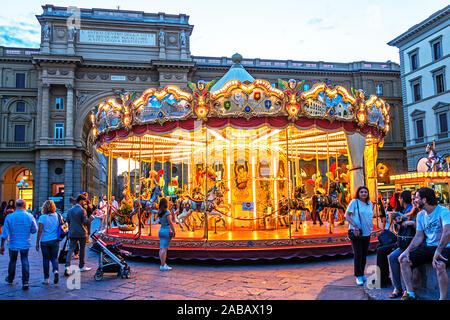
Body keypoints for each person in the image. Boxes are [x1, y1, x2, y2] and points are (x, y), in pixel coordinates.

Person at [398, 187, 450, 300]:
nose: (414, 200)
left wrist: (438, 251)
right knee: (403, 259)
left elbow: (447, 232)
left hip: (445, 247)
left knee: (440, 265)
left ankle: (442, 298)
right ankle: (410, 293)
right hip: (429, 247)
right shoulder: (421, 215)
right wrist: (407, 251)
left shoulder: (443, 211)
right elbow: (418, 237)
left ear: (424, 200)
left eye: (416, 197)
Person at [383, 190, 419, 297]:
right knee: (391, 256)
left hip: (416, 243)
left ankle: (405, 289)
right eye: (412, 199)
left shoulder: (421, 212)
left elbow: (422, 230)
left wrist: (412, 223)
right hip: (407, 242)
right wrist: (398, 221)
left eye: (416, 199)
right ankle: (397, 287)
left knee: (401, 257)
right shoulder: (410, 211)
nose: (413, 201)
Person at [0, 199, 37, 290]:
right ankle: (25, 282)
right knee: (25, 260)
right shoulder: (30, 216)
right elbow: (34, 230)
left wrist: (2, 246)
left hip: (13, 243)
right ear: (24, 206)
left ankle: (10, 278)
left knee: (12, 261)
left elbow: (4, 233)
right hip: (25, 242)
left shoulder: (10, 217)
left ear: (15, 206)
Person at [345, 186, 374, 286]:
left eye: (365, 192)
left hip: (367, 232)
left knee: (364, 254)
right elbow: (347, 215)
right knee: (358, 254)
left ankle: (362, 273)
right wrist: (354, 225)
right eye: (361, 192)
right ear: (358, 193)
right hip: (357, 231)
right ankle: (358, 275)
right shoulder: (354, 202)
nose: (363, 194)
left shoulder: (370, 204)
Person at [64, 194, 95, 276]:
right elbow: (86, 222)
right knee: (82, 249)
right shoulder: (82, 210)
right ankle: (81, 266)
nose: (84, 203)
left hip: (72, 232)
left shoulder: (70, 210)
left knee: (71, 249)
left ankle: (67, 267)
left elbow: (67, 221)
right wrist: (92, 217)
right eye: (84, 201)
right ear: (80, 201)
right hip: (81, 233)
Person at [36, 200, 60, 285]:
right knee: (54, 258)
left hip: (45, 241)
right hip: (55, 240)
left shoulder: (42, 217)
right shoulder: (57, 215)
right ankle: (55, 270)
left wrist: (37, 243)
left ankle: (46, 279)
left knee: (46, 259)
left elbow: (40, 231)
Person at [158, 197, 175, 271]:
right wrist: (174, 231)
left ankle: (162, 264)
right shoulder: (167, 212)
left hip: (161, 230)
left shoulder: (159, 211)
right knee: (164, 249)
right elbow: (170, 222)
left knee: (161, 248)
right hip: (166, 230)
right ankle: (163, 265)